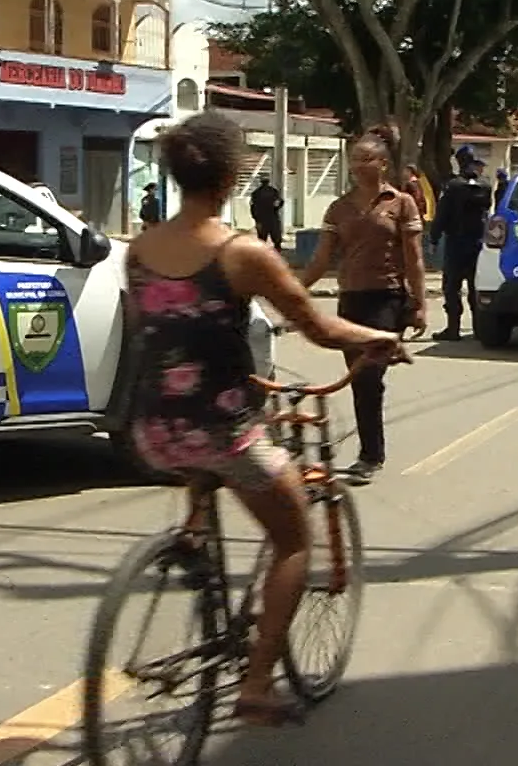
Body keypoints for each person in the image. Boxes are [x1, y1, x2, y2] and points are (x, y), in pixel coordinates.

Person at [124, 111, 404, 726]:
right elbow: (322, 328)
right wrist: (379, 337)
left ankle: (196, 540)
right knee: (293, 539)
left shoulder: (139, 250)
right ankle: (254, 686)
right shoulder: (241, 252)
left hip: (153, 427)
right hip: (223, 428)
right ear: (229, 179)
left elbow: (159, 336)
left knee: (204, 461)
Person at [299, 124, 429, 482]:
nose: (357, 165)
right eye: (354, 158)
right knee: (360, 380)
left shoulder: (400, 203)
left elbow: (414, 258)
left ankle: (370, 455)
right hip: (351, 301)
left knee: (369, 376)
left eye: (365, 159)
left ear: (383, 164)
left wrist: (419, 304)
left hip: (387, 297)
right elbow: (321, 261)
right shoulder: (339, 208)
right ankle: (371, 447)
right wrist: (291, 291)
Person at [430, 145, 491, 340]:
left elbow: (442, 215)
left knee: (451, 287)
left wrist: (433, 237)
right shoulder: (485, 185)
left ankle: (453, 329)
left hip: (456, 242)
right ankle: (478, 329)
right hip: (478, 243)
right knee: (475, 287)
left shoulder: (453, 186)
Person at [250, 176, 285, 250]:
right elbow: (281, 201)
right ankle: (277, 252)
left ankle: (262, 255)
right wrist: (276, 208)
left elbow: (252, 206)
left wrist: (255, 218)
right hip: (272, 216)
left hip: (261, 217)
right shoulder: (273, 191)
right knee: (276, 238)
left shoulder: (256, 193)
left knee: (262, 240)